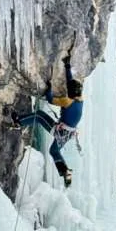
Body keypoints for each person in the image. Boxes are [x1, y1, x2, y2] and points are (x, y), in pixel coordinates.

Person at [11, 53, 83, 187]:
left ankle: (18, 122)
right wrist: (67, 66)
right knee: (54, 151)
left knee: (39, 116)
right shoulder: (80, 101)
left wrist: (49, 89)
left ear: (71, 93)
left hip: (61, 131)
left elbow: (50, 99)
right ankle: (65, 171)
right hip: (68, 133)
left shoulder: (67, 101)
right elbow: (71, 83)